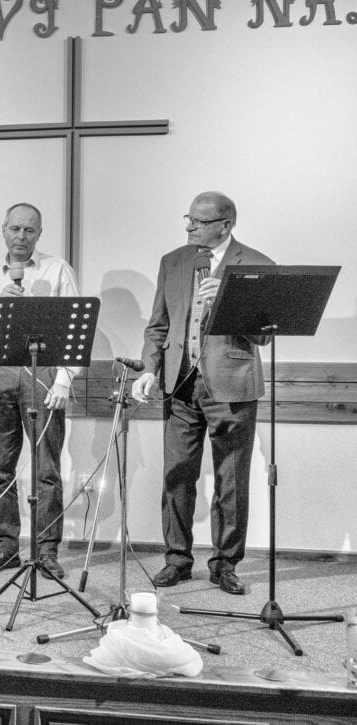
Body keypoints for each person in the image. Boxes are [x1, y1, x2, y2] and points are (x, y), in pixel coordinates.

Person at [131, 192, 274, 595]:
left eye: (199, 221)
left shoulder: (258, 265)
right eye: (189, 218)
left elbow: (264, 336)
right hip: (179, 383)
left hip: (232, 385)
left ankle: (225, 564)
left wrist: (229, 304)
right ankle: (177, 559)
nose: (190, 226)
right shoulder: (173, 261)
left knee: (231, 481)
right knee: (177, 476)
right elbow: (158, 325)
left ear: (225, 225)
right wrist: (149, 368)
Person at [0, 203, 80, 579]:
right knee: (1, 470)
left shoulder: (57, 269)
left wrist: (64, 379)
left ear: (39, 233)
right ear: (3, 230)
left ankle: (46, 551)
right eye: (14, 229)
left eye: (29, 230)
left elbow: (75, 328)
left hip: (42, 375)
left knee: (47, 470)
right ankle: (6, 547)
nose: (21, 237)